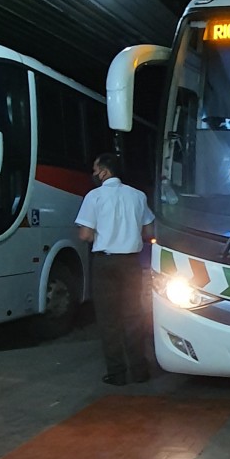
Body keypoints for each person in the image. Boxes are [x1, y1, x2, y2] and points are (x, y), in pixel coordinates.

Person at [75, 152, 155, 386]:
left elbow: (85, 234)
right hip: (131, 263)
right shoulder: (138, 196)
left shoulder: (94, 197)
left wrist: (102, 233)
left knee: (109, 319)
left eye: (95, 169)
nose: (93, 174)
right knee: (133, 315)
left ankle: (117, 374)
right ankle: (139, 371)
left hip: (105, 264)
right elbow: (149, 230)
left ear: (105, 172)